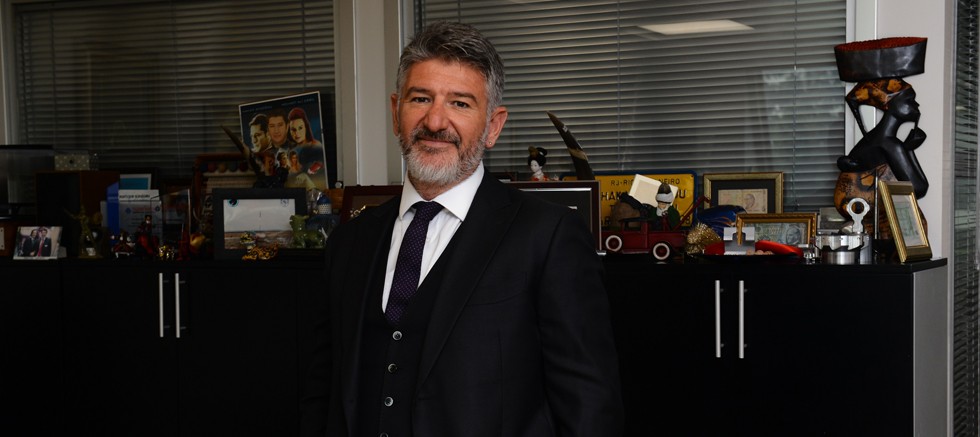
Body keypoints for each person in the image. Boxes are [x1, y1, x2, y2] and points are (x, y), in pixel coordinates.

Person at [300, 21, 623, 437]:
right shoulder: (350, 241)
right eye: (421, 98)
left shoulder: (548, 237)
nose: (436, 121)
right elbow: (322, 393)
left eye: (460, 103)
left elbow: (589, 407)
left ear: (493, 126)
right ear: (396, 112)